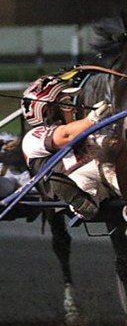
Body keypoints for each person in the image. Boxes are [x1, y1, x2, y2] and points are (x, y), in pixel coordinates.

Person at [20, 75, 113, 219]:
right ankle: (74, 197)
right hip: (74, 181)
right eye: (67, 104)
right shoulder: (32, 138)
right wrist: (92, 118)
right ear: (48, 111)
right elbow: (65, 135)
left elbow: (111, 143)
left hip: (101, 176)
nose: (75, 110)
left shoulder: (84, 136)